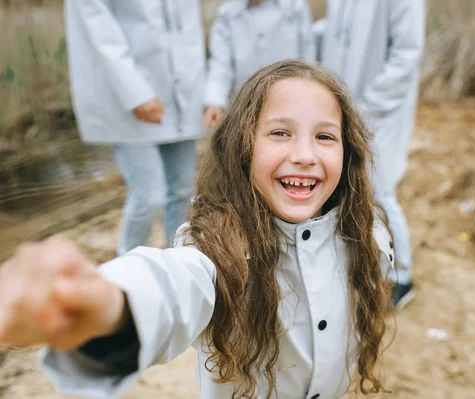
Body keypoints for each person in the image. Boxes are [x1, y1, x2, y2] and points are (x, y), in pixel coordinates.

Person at [0, 61, 400, 398]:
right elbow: (173, 286)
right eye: (280, 132)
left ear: (348, 152)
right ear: (243, 145)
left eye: (325, 136)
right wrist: (110, 304)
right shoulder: (215, 243)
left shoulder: (365, 230)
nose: (304, 155)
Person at [64, 0, 206, 255]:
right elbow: (99, 28)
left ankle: (177, 261)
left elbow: (189, 30)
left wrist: (206, 92)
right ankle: (127, 265)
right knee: (149, 197)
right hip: (128, 98)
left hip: (183, 91)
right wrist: (135, 93)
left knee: (183, 190)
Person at [318, 0, 426, 307]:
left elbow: (407, 54)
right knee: (346, 185)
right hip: (344, 106)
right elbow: (336, 34)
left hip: (381, 111)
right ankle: (365, 268)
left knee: (379, 190)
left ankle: (399, 278)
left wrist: (368, 103)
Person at [203, 0, 315, 130]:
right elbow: (220, 65)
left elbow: (307, 62)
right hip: (245, 106)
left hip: (291, 102)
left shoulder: (296, 9)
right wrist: (215, 101)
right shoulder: (227, 15)